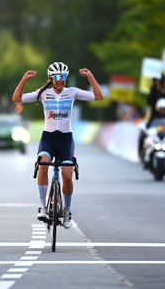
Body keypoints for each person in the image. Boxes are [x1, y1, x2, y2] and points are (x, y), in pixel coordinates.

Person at [12, 61, 103, 229]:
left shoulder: (72, 92)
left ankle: (67, 210)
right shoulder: (43, 93)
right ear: (51, 78)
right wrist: (24, 79)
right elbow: (17, 98)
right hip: (48, 138)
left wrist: (90, 76)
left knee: (67, 174)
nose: (60, 80)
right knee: (43, 165)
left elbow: (98, 96)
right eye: (57, 77)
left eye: (64, 77)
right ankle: (43, 206)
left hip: (66, 139)